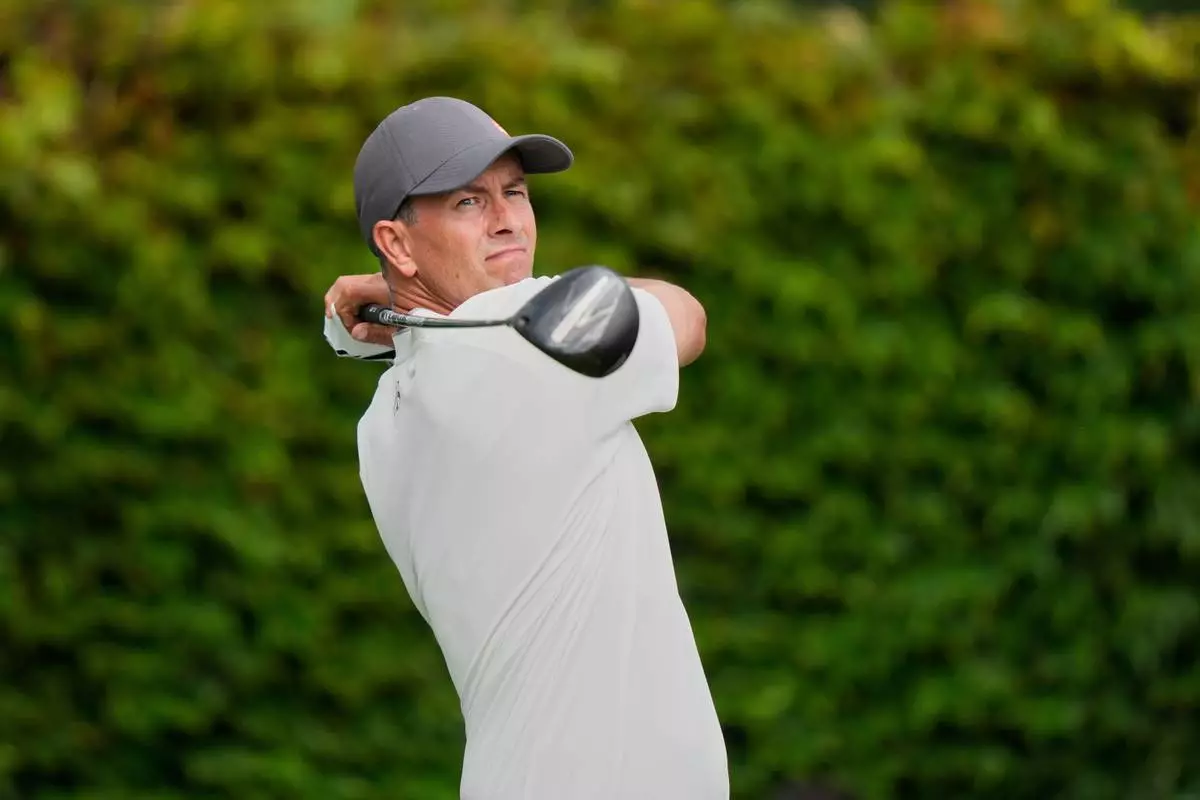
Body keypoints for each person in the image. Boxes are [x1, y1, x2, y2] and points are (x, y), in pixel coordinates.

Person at [322, 96, 728, 799]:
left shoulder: (383, 420)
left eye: (514, 191)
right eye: (468, 203)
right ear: (396, 242)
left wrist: (394, 297)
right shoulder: (523, 348)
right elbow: (686, 317)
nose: (508, 217)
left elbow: (412, 334)